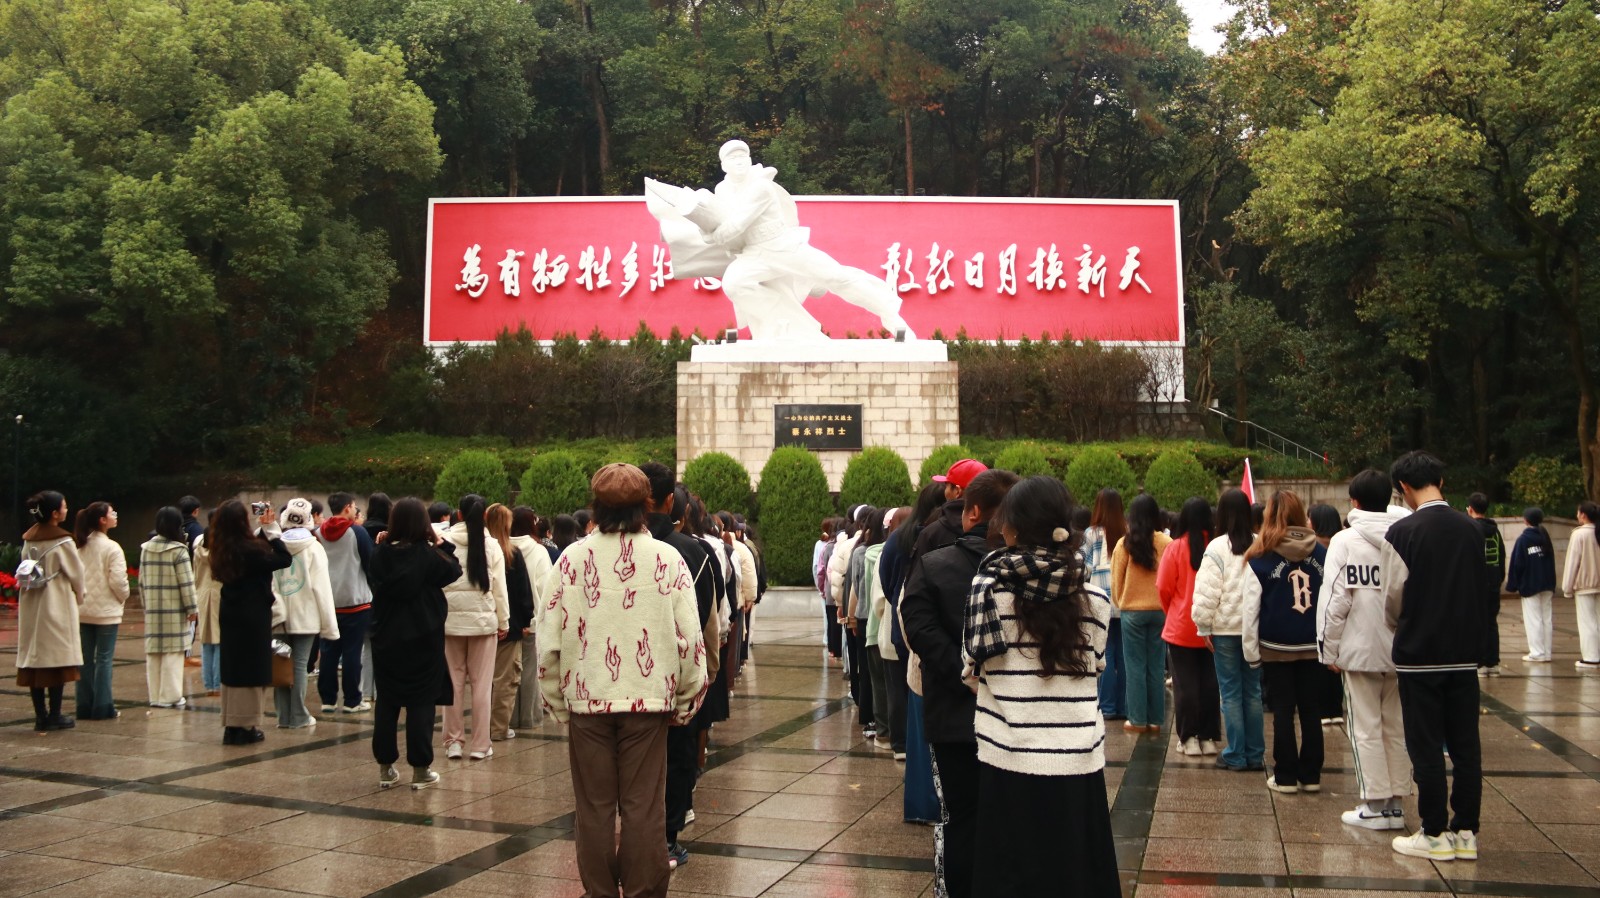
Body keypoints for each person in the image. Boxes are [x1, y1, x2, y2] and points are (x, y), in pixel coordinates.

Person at [536, 463, 708, 898]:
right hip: (648, 702)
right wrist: (686, 701)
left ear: (596, 505)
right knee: (644, 806)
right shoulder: (666, 559)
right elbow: (691, 640)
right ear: (646, 505)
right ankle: (642, 890)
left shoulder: (571, 559)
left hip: (587, 699)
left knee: (593, 808)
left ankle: (599, 891)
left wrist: (558, 702)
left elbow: (548, 639)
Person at [964, 476, 1118, 898]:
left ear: (1014, 529)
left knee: (1010, 876)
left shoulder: (987, 593)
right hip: (1076, 759)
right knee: (1074, 876)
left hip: (1008, 757)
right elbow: (1096, 666)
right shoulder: (1095, 598)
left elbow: (972, 669)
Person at [648, 139, 914, 340]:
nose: (739, 161)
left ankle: (889, 313)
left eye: (743, 156)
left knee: (836, 277)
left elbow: (737, 224)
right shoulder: (722, 189)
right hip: (754, 253)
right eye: (732, 158)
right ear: (723, 165)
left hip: (783, 246)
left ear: (750, 160)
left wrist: (715, 235)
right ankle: (789, 325)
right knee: (735, 284)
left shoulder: (760, 186)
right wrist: (705, 229)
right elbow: (720, 221)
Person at [902, 469, 1019, 898]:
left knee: (961, 817)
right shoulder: (1029, 572)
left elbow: (916, 626)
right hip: (1015, 718)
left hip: (953, 716)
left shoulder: (933, 565)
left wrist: (961, 670)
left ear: (972, 512)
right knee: (1009, 818)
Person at [1381, 451, 1486, 861]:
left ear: (1404, 487)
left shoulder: (1402, 532)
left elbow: (1393, 597)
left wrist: (1402, 626)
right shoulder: (1472, 529)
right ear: (1440, 481)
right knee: (1465, 745)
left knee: (1425, 745)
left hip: (1419, 654)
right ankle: (1466, 831)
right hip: (1463, 653)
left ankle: (1434, 831)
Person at [1318, 469, 1411, 830]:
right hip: (1401, 649)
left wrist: (1328, 651)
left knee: (1366, 728)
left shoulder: (1345, 542)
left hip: (1359, 650)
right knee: (1396, 727)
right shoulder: (1405, 536)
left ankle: (1374, 803)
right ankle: (1396, 803)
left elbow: (1335, 602)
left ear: (1354, 501)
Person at [640, 465, 718, 868]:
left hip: (622, 680)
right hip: (673, 677)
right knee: (676, 757)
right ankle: (667, 840)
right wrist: (706, 673)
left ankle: (633, 839)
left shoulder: (594, 550)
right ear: (670, 501)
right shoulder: (692, 552)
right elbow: (705, 619)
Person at [367, 497, 461, 789]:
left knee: (387, 701)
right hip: (424, 638)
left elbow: (374, 571)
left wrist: (383, 543)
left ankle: (385, 767)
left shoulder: (380, 554)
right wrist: (438, 540)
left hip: (386, 639)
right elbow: (454, 569)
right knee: (421, 702)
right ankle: (421, 769)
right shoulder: (428, 556)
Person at [1241, 490, 1327, 793]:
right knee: (1311, 710)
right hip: (1312, 644)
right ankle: (1312, 774)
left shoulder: (1261, 557)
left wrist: (1251, 653)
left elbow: (1250, 610)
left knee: (1283, 711)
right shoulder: (1321, 553)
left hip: (1276, 646)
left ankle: (1286, 775)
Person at [885, 483, 947, 819]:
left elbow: (893, 588)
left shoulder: (904, 536)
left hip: (913, 638)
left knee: (915, 711)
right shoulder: (927, 537)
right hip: (925, 642)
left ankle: (922, 801)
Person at [1192, 488, 1265, 772]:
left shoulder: (1216, 548)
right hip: (1254, 630)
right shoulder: (1261, 545)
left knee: (1231, 692)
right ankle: (1255, 753)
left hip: (1224, 630)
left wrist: (1203, 626)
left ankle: (1235, 753)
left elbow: (1207, 593)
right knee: (1253, 691)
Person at [210, 500, 291, 745]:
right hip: (253, 614)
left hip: (230, 612)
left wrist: (264, 531)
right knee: (252, 669)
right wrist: (272, 531)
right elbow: (283, 558)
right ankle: (246, 725)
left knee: (233, 666)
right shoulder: (251, 550)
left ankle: (231, 725)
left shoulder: (220, 548)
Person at [440, 494, 509, 760]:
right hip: (483, 623)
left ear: (458, 514)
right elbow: (499, 588)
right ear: (484, 516)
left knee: (453, 684)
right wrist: (503, 621)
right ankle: (481, 745)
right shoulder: (491, 545)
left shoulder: (444, 541)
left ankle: (453, 742)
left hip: (449, 623)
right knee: (482, 686)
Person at [1157, 497, 1220, 756]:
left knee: (1185, 686)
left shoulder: (1175, 548)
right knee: (1209, 684)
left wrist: (1173, 611)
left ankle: (1188, 738)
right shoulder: (1217, 547)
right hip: (1213, 628)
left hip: (1180, 626)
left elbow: (1163, 587)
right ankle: (1209, 737)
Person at [17, 491, 84, 731]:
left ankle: (40, 716)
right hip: (56, 602)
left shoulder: (29, 539)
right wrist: (80, 595)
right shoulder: (63, 541)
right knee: (57, 659)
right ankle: (55, 715)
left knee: (34, 659)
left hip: (31, 603)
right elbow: (77, 573)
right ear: (55, 513)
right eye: (64, 506)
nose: (66, 509)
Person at [273, 498, 339, 728]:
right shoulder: (313, 548)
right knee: (300, 665)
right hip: (306, 616)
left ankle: (283, 716)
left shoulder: (275, 545)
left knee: (280, 662)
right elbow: (322, 588)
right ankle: (299, 716)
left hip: (278, 616)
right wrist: (330, 626)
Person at [1111, 494, 1171, 733]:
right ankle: (1155, 720)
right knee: (1156, 665)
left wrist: (1121, 601)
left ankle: (1137, 719)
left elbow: (1116, 581)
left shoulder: (1124, 544)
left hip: (1132, 612)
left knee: (1135, 665)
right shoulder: (1166, 542)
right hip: (1159, 610)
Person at [317, 492, 376, 714]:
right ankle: (352, 700)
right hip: (355, 600)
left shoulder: (318, 533)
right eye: (353, 506)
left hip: (328, 600)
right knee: (352, 651)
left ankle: (328, 699)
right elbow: (370, 563)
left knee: (328, 651)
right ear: (347, 508)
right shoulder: (357, 532)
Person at [487, 502, 538, 741]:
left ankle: (481, 727)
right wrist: (526, 619)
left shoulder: (481, 552)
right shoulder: (511, 554)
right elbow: (523, 591)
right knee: (506, 680)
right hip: (512, 626)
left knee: (483, 680)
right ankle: (498, 727)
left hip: (483, 624)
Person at [74, 502, 129, 720]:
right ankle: (103, 706)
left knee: (85, 660)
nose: (115, 514)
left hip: (83, 610)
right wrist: (123, 597)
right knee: (104, 659)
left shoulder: (80, 546)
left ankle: (83, 705)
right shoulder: (112, 547)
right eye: (111, 512)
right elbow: (119, 581)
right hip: (106, 613)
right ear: (102, 520)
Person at [141, 507, 199, 709]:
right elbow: (187, 584)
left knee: (154, 654)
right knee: (173, 654)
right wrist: (192, 609)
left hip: (153, 609)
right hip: (174, 610)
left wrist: (146, 606)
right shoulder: (178, 550)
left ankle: (155, 696)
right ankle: (170, 696)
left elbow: (142, 582)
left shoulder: (146, 549)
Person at [508, 505, 554, 733]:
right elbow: (546, 587)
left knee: (506, 672)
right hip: (533, 619)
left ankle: (506, 717)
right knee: (529, 671)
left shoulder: (501, 547)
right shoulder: (538, 551)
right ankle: (528, 717)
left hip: (508, 621)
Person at [1084, 489, 1127, 720]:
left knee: (1106, 651)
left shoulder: (1091, 534)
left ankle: (1108, 706)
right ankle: (1124, 706)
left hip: (1100, 600)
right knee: (1124, 653)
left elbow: (1085, 566)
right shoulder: (1127, 532)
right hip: (1124, 598)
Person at [1505, 507, 1556, 664]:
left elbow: (1517, 564)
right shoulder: (1545, 537)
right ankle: (1546, 652)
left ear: (1526, 520)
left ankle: (1537, 652)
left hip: (1531, 584)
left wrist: (1513, 585)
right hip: (1547, 584)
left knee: (1534, 619)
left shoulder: (1523, 540)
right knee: (1546, 619)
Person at [1466, 493, 1507, 677]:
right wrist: (1498, 578)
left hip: (1476, 583)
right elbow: (1501, 556)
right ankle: (1493, 662)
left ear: (1470, 509)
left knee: (1477, 622)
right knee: (1491, 622)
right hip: (1493, 582)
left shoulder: (1470, 529)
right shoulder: (1495, 531)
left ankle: (1480, 662)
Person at [1562, 501, 1600, 671]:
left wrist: (1567, 587)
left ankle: (1591, 658)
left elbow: (1572, 563)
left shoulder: (1579, 534)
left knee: (1587, 623)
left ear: (1583, 515)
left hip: (1585, 586)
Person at [193, 510, 223, 696]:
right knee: (220, 640)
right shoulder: (223, 550)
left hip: (203, 594)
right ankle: (217, 684)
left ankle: (208, 684)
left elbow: (195, 574)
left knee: (206, 640)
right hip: (220, 594)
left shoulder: (198, 549)